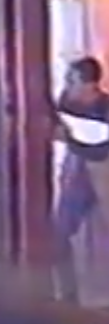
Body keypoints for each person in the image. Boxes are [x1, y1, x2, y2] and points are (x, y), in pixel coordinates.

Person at [53, 57, 109, 302]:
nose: (68, 86)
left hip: (104, 165)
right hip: (77, 164)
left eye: (72, 81)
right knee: (60, 229)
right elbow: (59, 130)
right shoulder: (66, 102)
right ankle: (67, 293)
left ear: (90, 85)